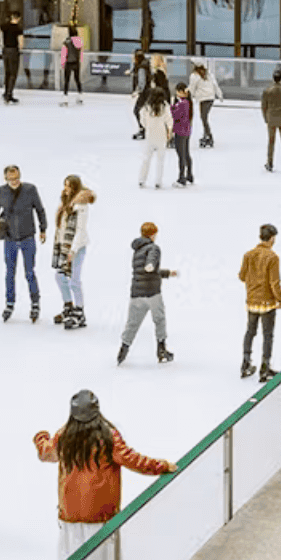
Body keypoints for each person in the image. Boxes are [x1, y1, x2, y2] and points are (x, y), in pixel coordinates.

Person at [31, 391, 177, 560]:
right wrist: (161, 466)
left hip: (70, 513)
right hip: (101, 516)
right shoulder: (108, 437)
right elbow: (133, 460)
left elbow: (46, 453)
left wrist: (41, 437)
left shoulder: (64, 436)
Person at [0, 166, 47, 323]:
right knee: (10, 273)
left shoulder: (30, 189)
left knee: (29, 272)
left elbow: (40, 209)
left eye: (16, 178)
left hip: (27, 236)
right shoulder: (1, 191)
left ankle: (35, 303)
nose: (14, 182)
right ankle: (9, 303)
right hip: (10, 238)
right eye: (11, 179)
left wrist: (43, 229)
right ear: (5, 179)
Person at [117, 221, 175, 366]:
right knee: (159, 320)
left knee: (132, 323)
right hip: (152, 292)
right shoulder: (153, 248)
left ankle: (123, 351)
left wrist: (167, 273)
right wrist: (151, 265)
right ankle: (161, 349)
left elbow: (145, 271)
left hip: (136, 293)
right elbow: (150, 264)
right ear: (153, 234)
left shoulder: (137, 251)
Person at [239, 224, 281, 382]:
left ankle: (245, 364)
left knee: (250, 332)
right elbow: (274, 282)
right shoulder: (272, 257)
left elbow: (242, 276)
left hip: (252, 300)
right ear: (272, 238)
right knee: (267, 335)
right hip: (267, 303)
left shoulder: (248, 255)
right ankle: (264, 369)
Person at [51, 175, 94, 330]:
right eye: (65, 185)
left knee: (74, 280)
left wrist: (73, 250)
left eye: (69, 186)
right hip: (64, 247)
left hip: (76, 248)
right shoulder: (65, 202)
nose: (66, 188)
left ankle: (80, 312)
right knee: (60, 276)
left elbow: (80, 231)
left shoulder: (80, 205)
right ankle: (68, 306)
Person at [136, 84, 172, 190]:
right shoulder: (165, 106)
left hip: (150, 134)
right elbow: (169, 120)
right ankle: (158, 181)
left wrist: (146, 126)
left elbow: (141, 118)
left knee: (146, 158)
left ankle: (142, 180)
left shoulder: (147, 107)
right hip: (162, 135)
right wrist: (169, 132)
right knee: (160, 159)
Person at [0, 12, 24, 104]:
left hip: (5, 51)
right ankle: (9, 95)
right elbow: (21, 43)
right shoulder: (18, 29)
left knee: (7, 73)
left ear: (11, 17)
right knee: (13, 74)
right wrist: (20, 50)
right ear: (19, 18)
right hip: (14, 52)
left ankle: (6, 93)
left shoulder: (4, 26)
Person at [188, 61, 223, 148]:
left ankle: (209, 136)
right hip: (210, 98)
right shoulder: (208, 74)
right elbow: (215, 85)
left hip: (204, 99)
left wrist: (188, 96)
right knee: (204, 117)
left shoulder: (194, 76)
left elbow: (192, 88)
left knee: (204, 118)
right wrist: (219, 94)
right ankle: (206, 135)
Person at [170, 83, 196, 187]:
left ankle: (182, 177)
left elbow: (175, 115)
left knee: (181, 154)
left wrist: (172, 106)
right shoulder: (188, 103)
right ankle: (189, 175)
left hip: (180, 131)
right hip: (186, 130)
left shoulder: (182, 104)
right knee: (186, 153)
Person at [57, 25, 85, 106]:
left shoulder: (66, 42)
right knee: (77, 79)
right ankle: (80, 97)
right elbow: (81, 52)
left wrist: (62, 64)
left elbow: (63, 54)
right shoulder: (80, 41)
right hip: (76, 63)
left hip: (68, 63)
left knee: (66, 81)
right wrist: (81, 61)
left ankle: (65, 99)